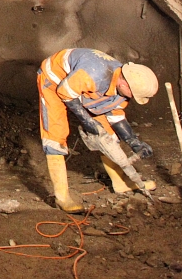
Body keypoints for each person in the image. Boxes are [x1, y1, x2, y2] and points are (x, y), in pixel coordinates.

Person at [37, 47, 158, 212]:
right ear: (124, 83)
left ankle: (120, 183)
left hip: (79, 83)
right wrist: (87, 121)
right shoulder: (94, 75)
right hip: (55, 80)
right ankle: (62, 197)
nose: (131, 98)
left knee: (107, 133)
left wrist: (134, 142)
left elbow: (115, 115)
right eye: (132, 94)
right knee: (56, 133)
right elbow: (65, 92)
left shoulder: (121, 82)